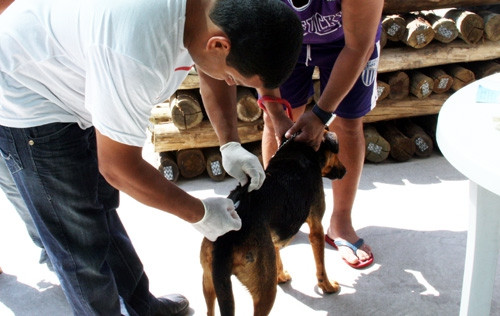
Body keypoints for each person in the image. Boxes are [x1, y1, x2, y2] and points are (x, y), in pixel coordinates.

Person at [0, 0, 302, 314]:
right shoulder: (136, 52)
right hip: (28, 92)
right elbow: (118, 167)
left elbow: (212, 67)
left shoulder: (211, 14)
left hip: (72, 71)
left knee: (102, 208)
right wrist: (199, 213)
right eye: (233, 78)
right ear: (219, 44)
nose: (229, 83)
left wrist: (230, 144)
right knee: (78, 242)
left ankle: (142, 308)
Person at [259, 0, 383, 269]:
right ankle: (276, 216)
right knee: (276, 122)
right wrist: (277, 114)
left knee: (348, 124)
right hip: (280, 38)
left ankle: (340, 222)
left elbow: (357, 47)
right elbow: (259, 41)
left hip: (347, 39)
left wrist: (321, 114)